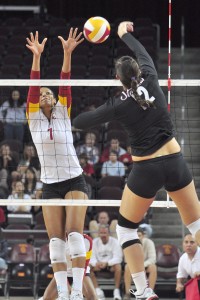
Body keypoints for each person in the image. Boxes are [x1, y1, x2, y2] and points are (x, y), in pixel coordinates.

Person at [73, 21, 200, 300]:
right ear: (139, 72)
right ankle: (142, 289)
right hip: (175, 160)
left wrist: (68, 111)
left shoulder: (118, 103)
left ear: (119, 79)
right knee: (196, 225)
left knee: (126, 228)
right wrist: (123, 33)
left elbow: (83, 122)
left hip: (146, 170)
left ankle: (142, 290)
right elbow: (141, 51)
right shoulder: (151, 76)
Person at [26, 28, 88, 300]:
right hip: (49, 184)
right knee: (55, 242)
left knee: (75, 236)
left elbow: (65, 81)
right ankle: (62, 293)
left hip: (74, 179)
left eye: (48, 93)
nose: (45, 95)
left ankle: (76, 292)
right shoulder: (33, 118)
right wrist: (36, 57)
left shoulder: (63, 112)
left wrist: (67, 52)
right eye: (41, 94)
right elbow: (32, 86)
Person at [39, 234, 98, 300]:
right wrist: (66, 285)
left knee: (92, 298)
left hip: (81, 273)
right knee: (47, 298)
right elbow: (56, 264)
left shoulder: (87, 240)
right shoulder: (57, 241)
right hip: (63, 273)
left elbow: (85, 264)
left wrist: (75, 287)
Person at [90, 224, 123, 300]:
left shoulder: (115, 242)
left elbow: (118, 258)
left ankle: (116, 291)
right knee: (88, 268)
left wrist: (107, 263)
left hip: (110, 266)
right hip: (98, 265)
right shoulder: (94, 242)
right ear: (98, 233)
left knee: (118, 266)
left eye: (105, 233)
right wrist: (96, 263)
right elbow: (91, 258)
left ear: (109, 233)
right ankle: (98, 290)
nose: (103, 235)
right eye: (101, 233)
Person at [123, 228, 157, 300]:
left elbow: (152, 259)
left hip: (146, 265)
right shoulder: (129, 243)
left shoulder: (149, 242)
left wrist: (142, 266)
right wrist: (138, 267)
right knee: (127, 267)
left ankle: (149, 293)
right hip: (134, 266)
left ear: (143, 236)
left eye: (139, 235)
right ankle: (127, 293)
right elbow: (126, 259)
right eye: (135, 236)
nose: (137, 238)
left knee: (153, 267)